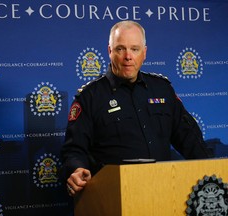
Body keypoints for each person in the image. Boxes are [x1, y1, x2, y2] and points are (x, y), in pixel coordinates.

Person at [60, 20, 210, 197]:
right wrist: (77, 169)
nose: (128, 56)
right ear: (109, 51)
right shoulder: (89, 97)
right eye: (120, 49)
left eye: (135, 49)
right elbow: (74, 150)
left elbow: (189, 138)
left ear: (144, 53)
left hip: (164, 191)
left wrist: (210, 170)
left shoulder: (162, 89)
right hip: (114, 196)